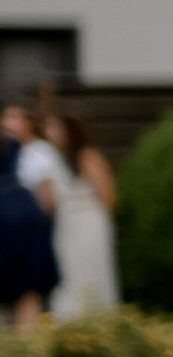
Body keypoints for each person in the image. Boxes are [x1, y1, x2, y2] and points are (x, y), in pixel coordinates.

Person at [35, 106, 119, 316]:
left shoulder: (88, 157)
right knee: (68, 271)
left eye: (55, 127)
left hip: (90, 223)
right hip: (66, 225)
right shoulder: (53, 160)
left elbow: (109, 197)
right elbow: (51, 202)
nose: (50, 132)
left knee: (92, 270)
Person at [0, 101, 59, 327]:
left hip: (25, 229)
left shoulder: (39, 152)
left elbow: (48, 200)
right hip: (23, 225)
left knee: (27, 293)